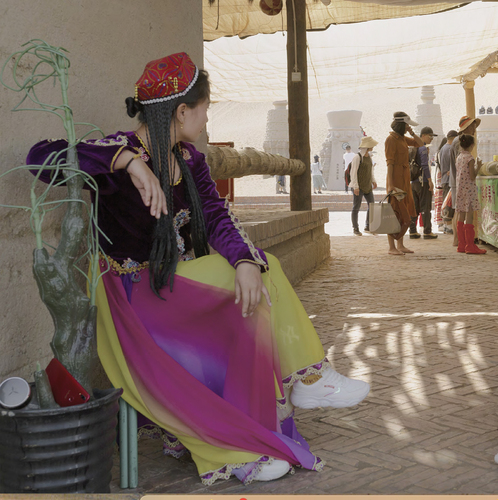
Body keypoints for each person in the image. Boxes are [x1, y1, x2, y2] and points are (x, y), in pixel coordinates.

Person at [26, 53, 369, 485]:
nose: (207, 121)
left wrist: (243, 259)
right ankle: (275, 410)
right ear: (182, 111)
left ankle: (284, 404)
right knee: (259, 280)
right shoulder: (121, 154)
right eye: (205, 110)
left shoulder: (189, 160)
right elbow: (39, 157)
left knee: (259, 274)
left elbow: (219, 218)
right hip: (133, 299)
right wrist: (129, 164)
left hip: (177, 288)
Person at [384, 111, 424, 255]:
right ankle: (391, 247)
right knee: (394, 212)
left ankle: (400, 245)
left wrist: (412, 132)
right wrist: (390, 185)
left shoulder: (402, 138)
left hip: (405, 180)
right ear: (402, 124)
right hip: (395, 180)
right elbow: (389, 163)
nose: (408, 126)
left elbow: (421, 144)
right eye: (407, 124)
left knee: (404, 212)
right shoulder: (391, 139)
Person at [449, 115, 481, 246]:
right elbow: (469, 173)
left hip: (459, 183)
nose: (474, 128)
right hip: (463, 184)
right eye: (473, 126)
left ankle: (460, 242)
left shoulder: (459, 145)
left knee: (460, 211)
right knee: (463, 212)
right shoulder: (461, 144)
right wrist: (477, 167)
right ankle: (461, 241)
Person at [455, 134, 486, 254]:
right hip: (469, 189)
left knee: (460, 215)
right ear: (472, 145)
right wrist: (478, 167)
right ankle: (470, 245)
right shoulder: (470, 158)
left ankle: (461, 245)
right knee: (469, 215)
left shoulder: (459, 157)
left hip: (460, 189)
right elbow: (472, 177)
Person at [409, 126, 438, 240]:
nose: (431, 139)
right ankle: (427, 231)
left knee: (415, 208)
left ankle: (412, 231)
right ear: (423, 136)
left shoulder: (413, 148)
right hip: (423, 182)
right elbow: (425, 166)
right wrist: (430, 181)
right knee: (425, 207)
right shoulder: (423, 149)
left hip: (414, 182)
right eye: (430, 136)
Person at [349, 136, 378, 236]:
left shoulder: (369, 157)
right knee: (356, 207)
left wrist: (373, 180)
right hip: (359, 186)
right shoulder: (357, 157)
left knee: (372, 205)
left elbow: (370, 170)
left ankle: (368, 226)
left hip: (367, 186)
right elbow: (353, 173)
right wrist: (355, 187)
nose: (373, 147)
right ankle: (355, 228)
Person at [439, 130, 458, 234]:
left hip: (444, 179)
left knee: (446, 202)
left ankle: (446, 225)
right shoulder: (450, 148)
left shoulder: (443, 148)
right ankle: (448, 226)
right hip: (449, 180)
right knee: (449, 204)